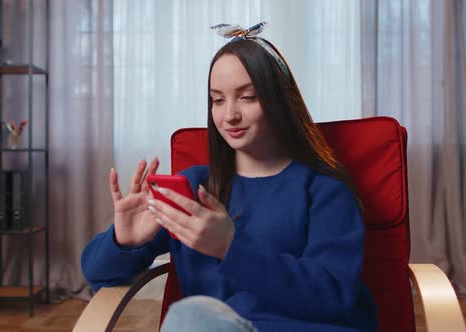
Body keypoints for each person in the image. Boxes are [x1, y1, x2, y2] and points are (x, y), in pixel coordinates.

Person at [81, 22, 377, 332]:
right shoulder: (194, 189)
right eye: (218, 100)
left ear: (280, 102)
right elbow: (97, 273)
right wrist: (124, 241)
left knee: (190, 317)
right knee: (191, 316)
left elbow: (334, 297)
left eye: (247, 98)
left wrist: (230, 246)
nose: (229, 115)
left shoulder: (325, 190)